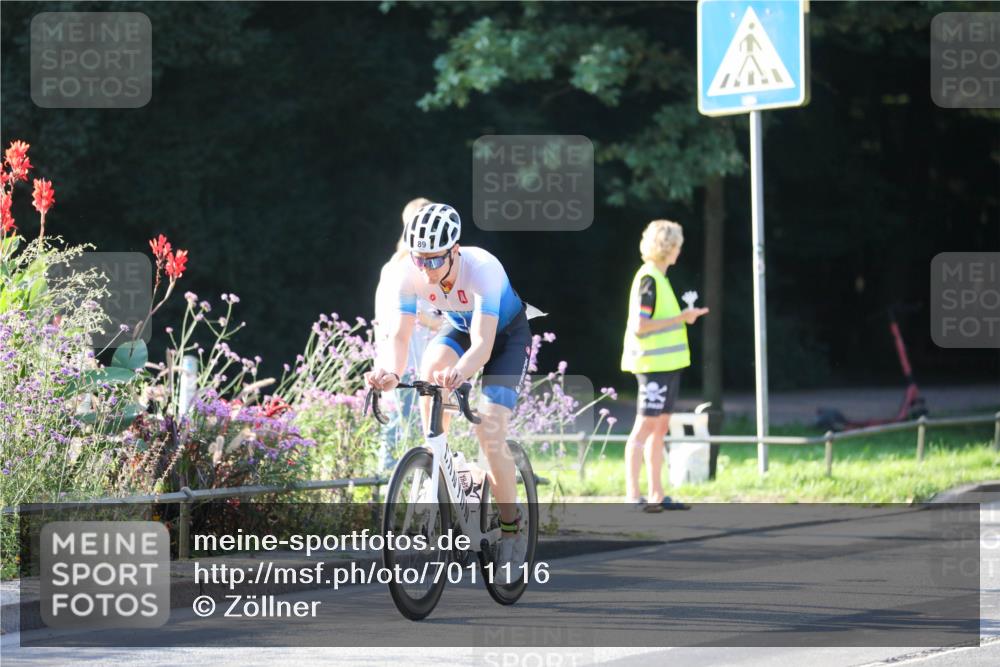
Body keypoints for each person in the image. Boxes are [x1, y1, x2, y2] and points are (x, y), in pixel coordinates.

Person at [365, 202, 531, 571]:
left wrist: (460, 372)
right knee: (428, 373)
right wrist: (390, 372)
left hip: (505, 338)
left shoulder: (483, 269)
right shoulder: (406, 273)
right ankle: (440, 459)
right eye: (417, 258)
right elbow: (400, 335)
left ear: (455, 251)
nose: (424, 269)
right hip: (458, 328)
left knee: (490, 432)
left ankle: (511, 530)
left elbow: (483, 346)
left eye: (433, 260)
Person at [620, 220, 709, 513]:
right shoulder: (649, 279)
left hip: (668, 366)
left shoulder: (659, 278)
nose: (680, 250)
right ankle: (634, 494)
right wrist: (682, 318)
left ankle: (657, 494)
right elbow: (640, 326)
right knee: (644, 428)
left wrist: (684, 316)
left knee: (659, 430)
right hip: (653, 366)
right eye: (678, 245)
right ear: (668, 247)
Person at [372, 198, 444, 471]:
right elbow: (417, 315)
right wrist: (444, 325)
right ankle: (405, 492)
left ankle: (387, 488)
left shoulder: (390, 265)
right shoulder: (413, 267)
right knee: (414, 428)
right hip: (413, 356)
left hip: (390, 354)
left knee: (394, 428)